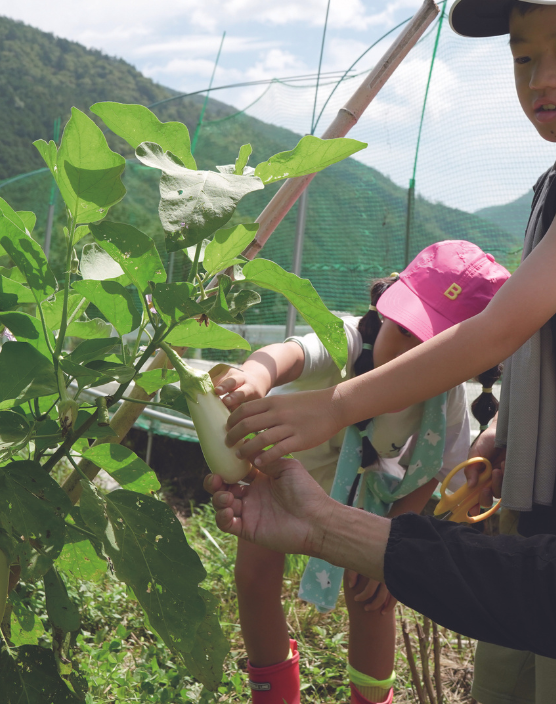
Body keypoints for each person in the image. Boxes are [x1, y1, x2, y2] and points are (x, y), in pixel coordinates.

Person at [221, 0, 556, 703]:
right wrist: (499, 436)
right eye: (523, 57)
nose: (540, 78)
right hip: (549, 511)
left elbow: (500, 329)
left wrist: (335, 405)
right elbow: (548, 344)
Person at [214, 241, 509, 704]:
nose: (408, 354)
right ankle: (272, 694)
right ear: (386, 308)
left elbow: (434, 473)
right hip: (277, 484)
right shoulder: (347, 339)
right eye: (404, 331)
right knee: (254, 575)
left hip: (362, 497)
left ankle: (370, 698)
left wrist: (393, 534)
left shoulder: (444, 399)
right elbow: (288, 354)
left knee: (373, 593)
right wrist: (256, 375)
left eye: (432, 348)